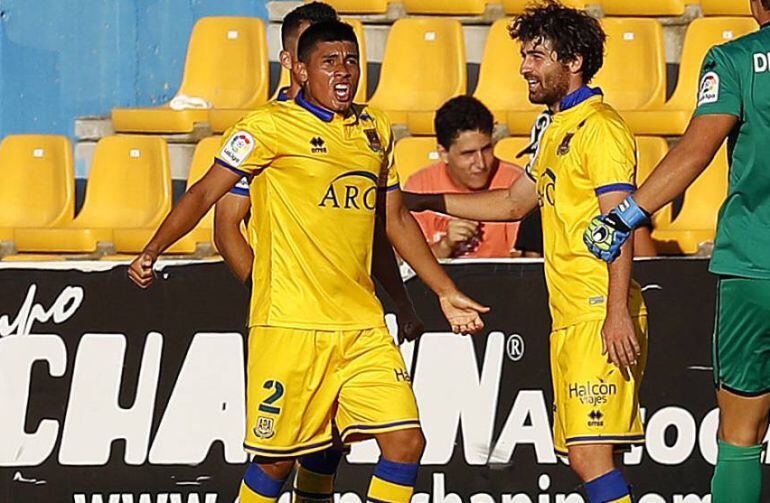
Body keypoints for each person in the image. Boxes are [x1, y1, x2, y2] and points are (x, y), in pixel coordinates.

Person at [128, 20, 488, 503]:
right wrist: (153, 249)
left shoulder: (375, 130)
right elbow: (206, 195)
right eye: (329, 62)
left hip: (362, 327)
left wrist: (427, 295)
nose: (344, 71)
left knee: (406, 442)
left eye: (351, 61)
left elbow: (392, 222)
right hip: (292, 328)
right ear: (298, 69)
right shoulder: (266, 128)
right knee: (277, 462)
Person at [404, 3, 648, 501]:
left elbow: (618, 223)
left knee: (589, 457)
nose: (523, 67)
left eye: (536, 55)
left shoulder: (599, 128)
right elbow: (516, 203)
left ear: (574, 60)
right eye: (522, 55)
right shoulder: (555, 126)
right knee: (591, 456)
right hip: (571, 314)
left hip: (598, 309)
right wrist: (424, 200)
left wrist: (617, 310)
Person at [583, 1, 770, 500]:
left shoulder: (735, 60)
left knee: (740, 435)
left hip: (756, 266)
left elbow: (695, 149)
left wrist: (625, 216)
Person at [213, 2, 424, 345]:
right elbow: (226, 228)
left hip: (356, 322)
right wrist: (270, 297)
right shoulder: (261, 130)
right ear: (291, 61)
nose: (336, 67)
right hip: (291, 322)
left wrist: (401, 303)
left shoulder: (367, 127)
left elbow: (374, 226)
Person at [404, 96, 524, 258]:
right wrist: (445, 246)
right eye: (468, 154)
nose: (481, 163)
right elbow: (407, 268)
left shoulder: (515, 182)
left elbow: (521, 264)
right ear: (443, 153)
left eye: (486, 149)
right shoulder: (419, 187)